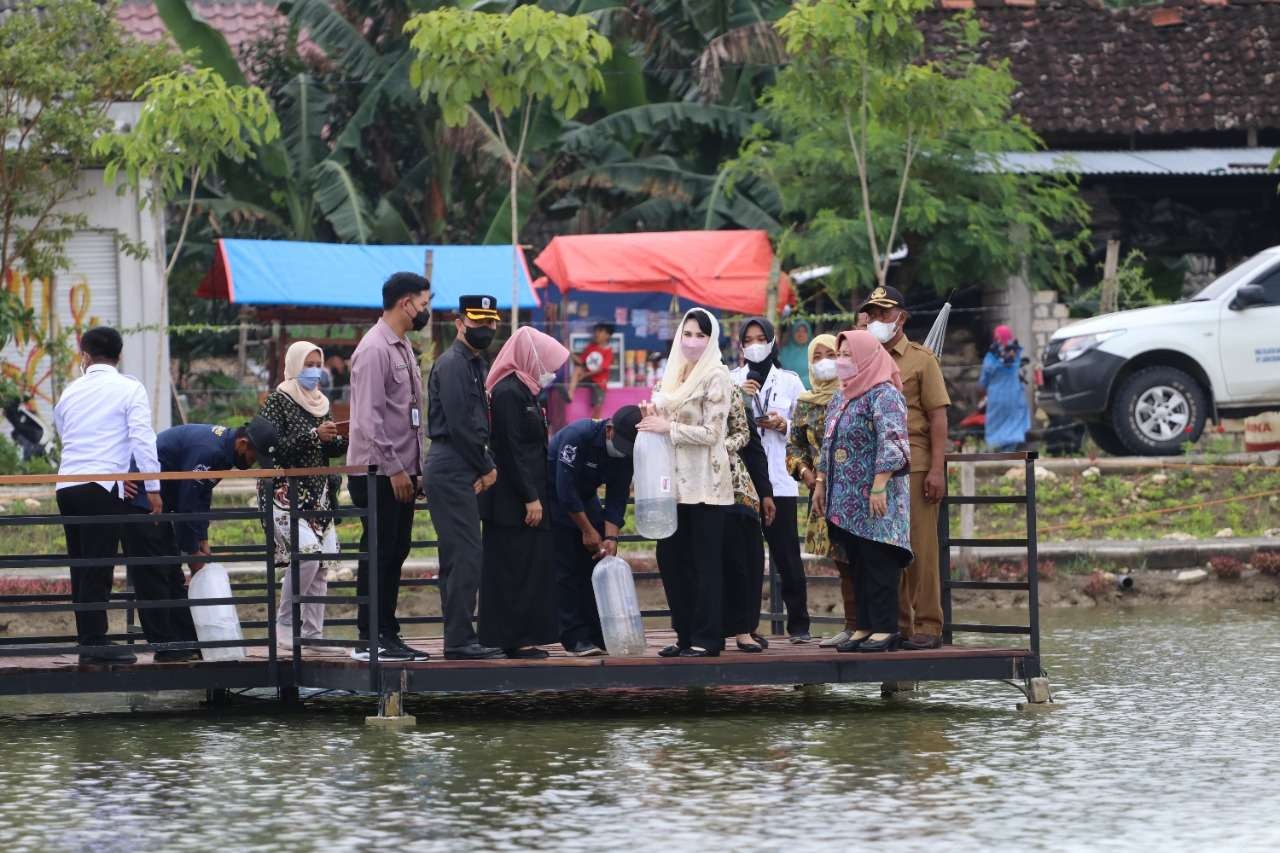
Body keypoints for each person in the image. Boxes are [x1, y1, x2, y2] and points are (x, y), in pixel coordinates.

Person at [53, 326, 171, 664]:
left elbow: (64, 431)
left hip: (67, 486)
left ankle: (89, 640)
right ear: (119, 357)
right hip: (101, 488)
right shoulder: (129, 388)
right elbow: (142, 439)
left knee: (81, 565)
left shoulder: (70, 391)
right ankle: (94, 645)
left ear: (85, 356)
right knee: (99, 565)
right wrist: (153, 488)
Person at [857, 285, 951, 650]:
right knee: (885, 550)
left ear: (902, 317)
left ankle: (928, 624)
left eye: (884, 313)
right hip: (877, 469)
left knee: (921, 548)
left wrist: (937, 469)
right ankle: (897, 624)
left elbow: (938, 417)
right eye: (872, 314)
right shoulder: (865, 360)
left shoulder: (921, 359)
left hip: (914, 463)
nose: (877, 320)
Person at [348, 271, 432, 662]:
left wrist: (415, 469)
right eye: (424, 303)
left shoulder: (402, 347)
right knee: (379, 550)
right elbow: (368, 420)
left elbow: (408, 416)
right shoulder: (374, 349)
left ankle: (387, 630)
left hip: (399, 471)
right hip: (377, 471)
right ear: (405, 303)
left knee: (397, 549)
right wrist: (396, 468)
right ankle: (371, 634)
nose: (425, 310)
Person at [639, 308, 733, 658]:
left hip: (706, 485)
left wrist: (670, 429)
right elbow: (664, 418)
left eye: (700, 335)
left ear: (712, 340)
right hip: (673, 486)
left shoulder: (717, 376)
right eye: (688, 333)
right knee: (672, 559)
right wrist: (653, 417)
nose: (692, 341)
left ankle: (707, 638)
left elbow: (714, 433)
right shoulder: (675, 374)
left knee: (704, 564)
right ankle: (683, 634)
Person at [812, 330, 913, 653]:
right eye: (839, 355)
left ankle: (885, 628)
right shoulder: (842, 395)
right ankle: (865, 625)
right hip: (844, 498)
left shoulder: (883, 394)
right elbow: (829, 442)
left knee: (877, 560)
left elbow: (894, 442)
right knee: (856, 562)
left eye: (848, 355)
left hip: (875, 495)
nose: (841, 361)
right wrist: (821, 483)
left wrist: (880, 484)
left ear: (867, 357)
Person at [124, 423, 258, 657]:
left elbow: (201, 495)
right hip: (142, 501)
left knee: (173, 576)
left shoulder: (222, 452)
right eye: (252, 456)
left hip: (161, 504)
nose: (253, 462)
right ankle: (165, 647)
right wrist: (192, 550)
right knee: (153, 576)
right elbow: (188, 501)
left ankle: (187, 641)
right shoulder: (209, 451)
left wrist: (202, 538)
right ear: (242, 444)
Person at [478, 327, 571, 658]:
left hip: (528, 495)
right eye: (546, 363)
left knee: (529, 567)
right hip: (513, 500)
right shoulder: (507, 393)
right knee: (513, 569)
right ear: (531, 357)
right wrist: (530, 496)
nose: (549, 371)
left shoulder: (526, 391)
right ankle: (514, 639)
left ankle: (526, 635)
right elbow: (510, 450)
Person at [425, 294, 505, 660]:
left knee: (460, 554)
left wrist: (481, 463)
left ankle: (460, 636)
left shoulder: (476, 361)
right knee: (465, 554)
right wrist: (486, 467)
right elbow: (459, 424)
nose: (485, 328)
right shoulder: (454, 364)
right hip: (452, 461)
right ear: (460, 323)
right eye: (478, 322)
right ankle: (458, 640)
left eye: (490, 322)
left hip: (463, 462)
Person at [256, 341, 348, 652]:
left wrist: (339, 437)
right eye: (308, 364)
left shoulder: (321, 402)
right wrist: (313, 436)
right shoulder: (277, 401)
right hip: (287, 492)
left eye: (317, 363)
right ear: (295, 365)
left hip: (319, 494)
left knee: (322, 564)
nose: (315, 371)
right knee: (306, 556)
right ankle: (284, 621)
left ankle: (313, 634)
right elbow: (270, 446)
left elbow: (329, 449)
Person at [729, 316, 811, 643]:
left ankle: (799, 626)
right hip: (742, 485)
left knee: (787, 554)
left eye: (759, 338)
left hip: (779, 480)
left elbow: (806, 429)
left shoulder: (790, 381)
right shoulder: (729, 379)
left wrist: (784, 425)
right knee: (744, 559)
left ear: (772, 340)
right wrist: (741, 395)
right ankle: (745, 628)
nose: (754, 345)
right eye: (748, 339)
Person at [547, 405, 642, 657]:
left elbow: (617, 496)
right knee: (567, 566)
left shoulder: (625, 453)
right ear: (609, 430)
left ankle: (596, 631)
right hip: (554, 493)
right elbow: (564, 490)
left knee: (597, 560)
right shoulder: (578, 436)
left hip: (585, 495)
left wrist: (610, 537)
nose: (623, 452)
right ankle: (573, 636)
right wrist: (587, 531)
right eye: (621, 445)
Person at [785, 333, 857, 647]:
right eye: (818, 356)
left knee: (865, 558)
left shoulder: (856, 393)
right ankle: (853, 625)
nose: (825, 361)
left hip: (857, 490)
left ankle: (879, 625)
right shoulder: (805, 403)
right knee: (842, 561)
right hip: (823, 493)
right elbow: (794, 446)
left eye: (832, 354)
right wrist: (804, 472)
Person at [721, 392, 775, 653]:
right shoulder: (676, 391)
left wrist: (765, 492)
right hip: (695, 494)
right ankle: (710, 631)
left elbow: (753, 448)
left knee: (747, 562)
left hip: (738, 492)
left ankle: (746, 628)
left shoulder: (732, 395)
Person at [981, 324, 1031, 451]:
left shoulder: (991, 357)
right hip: (1014, 396)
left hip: (996, 398)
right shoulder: (1015, 352)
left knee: (996, 426)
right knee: (1014, 424)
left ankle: (999, 454)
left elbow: (984, 380)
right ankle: (1009, 453)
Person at [567, 322, 615, 418]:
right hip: (587, 378)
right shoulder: (591, 347)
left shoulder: (609, 351)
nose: (597, 333)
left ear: (607, 335)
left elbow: (601, 369)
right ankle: (570, 393)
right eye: (596, 331)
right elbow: (581, 361)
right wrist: (569, 352)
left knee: (597, 407)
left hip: (599, 382)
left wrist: (585, 375)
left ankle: (595, 425)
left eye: (600, 331)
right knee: (577, 369)